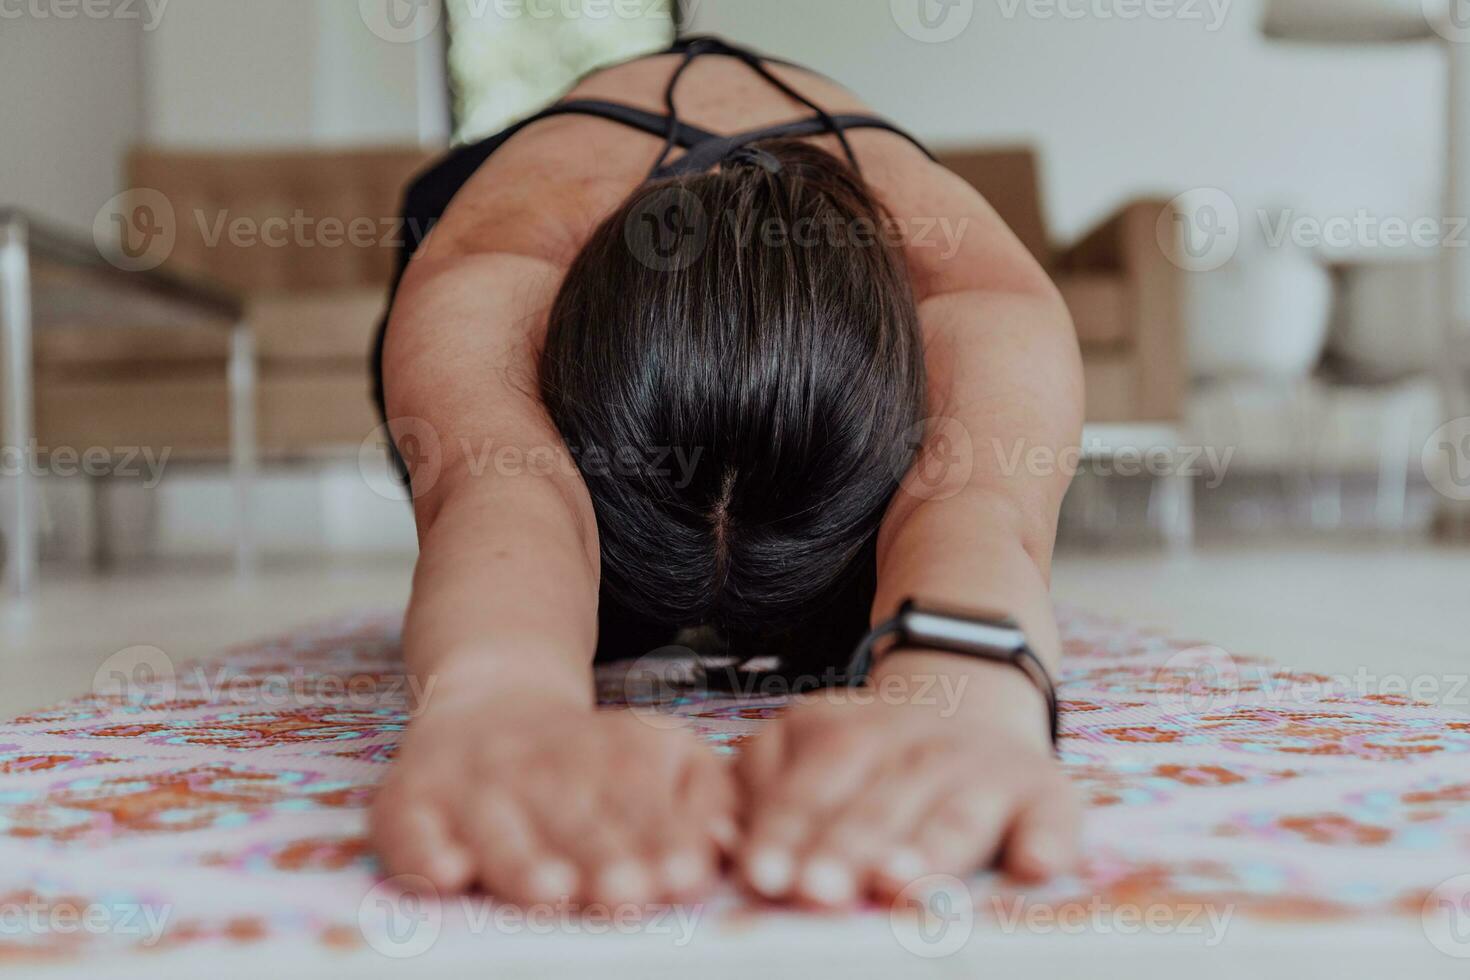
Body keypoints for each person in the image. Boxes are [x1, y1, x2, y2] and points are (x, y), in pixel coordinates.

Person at [369, 35, 1083, 910]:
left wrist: (968, 702)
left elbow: (976, 506)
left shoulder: (979, 296)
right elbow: (496, 484)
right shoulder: (488, 264)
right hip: (523, 221)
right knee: (586, 615)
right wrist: (497, 702)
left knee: (851, 630)